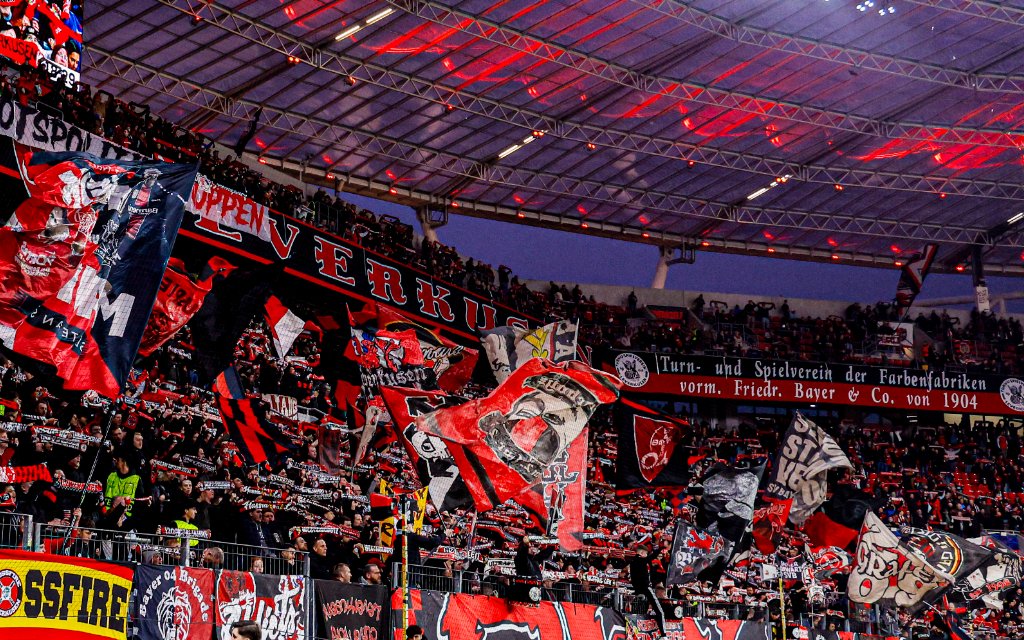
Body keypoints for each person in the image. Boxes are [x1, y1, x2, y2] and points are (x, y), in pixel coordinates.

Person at [630, 546, 666, 639]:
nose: (646, 556)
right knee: (660, 611)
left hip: (638, 590)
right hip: (646, 589)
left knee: (640, 612)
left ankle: (636, 633)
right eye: (645, 554)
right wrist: (660, 548)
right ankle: (664, 635)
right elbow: (652, 557)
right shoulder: (641, 561)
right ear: (641, 553)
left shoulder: (632, 562)